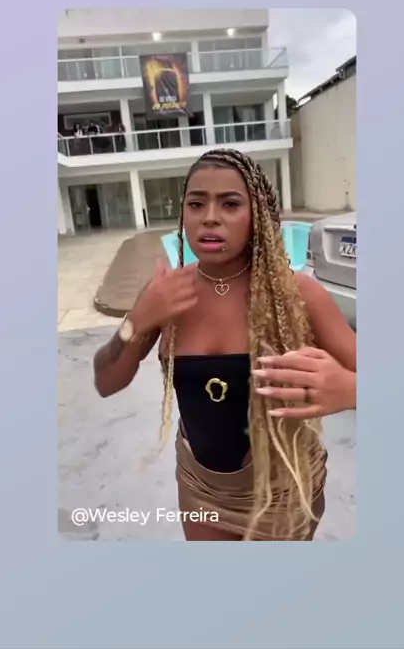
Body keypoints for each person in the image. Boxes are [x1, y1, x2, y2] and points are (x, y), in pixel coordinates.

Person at [93, 148, 356, 541]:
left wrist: (350, 388)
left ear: (257, 215)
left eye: (230, 204)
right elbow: (106, 382)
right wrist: (138, 320)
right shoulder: (166, 293)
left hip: (283, 492)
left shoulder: (295, 294)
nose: (210, 217)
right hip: (201, 488)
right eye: (196, 203)